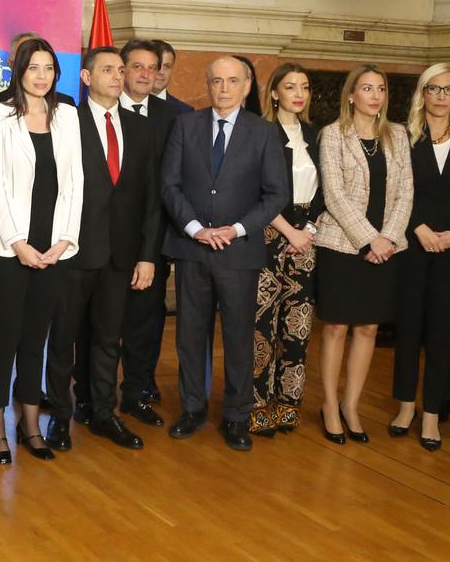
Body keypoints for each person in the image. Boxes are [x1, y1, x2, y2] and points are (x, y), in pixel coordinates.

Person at [159, 56, 288, 452]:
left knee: (237, 337)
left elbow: (277, 194)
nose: (224, 88)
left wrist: (236, 228)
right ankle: (193, 409)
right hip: (192, 248)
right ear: (208, 84)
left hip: (239, 249)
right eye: (216, 81)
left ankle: (236, 416)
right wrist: (196, 229)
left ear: (248, 86)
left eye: (233, 81)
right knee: (190, 336)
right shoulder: (186, 125)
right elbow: (170, 185)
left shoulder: (265, 133)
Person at [44, 47, 158, 452]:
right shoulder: (66, 122)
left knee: (109, 338)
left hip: (120, 255)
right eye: (107, 69)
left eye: (120, 69)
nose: (117, 75)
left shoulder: (140, 128)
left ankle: (103, 413)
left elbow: (149, 198)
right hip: (73, 250)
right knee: (64, 339)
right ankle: (59, 415)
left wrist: (146, 255)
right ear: (87, 78)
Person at [0, 39, 82, 464]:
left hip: (54, 248)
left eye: (49, 68)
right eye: (33, 67)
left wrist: (63, 241)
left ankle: (31, 422)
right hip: (9, 249)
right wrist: (17, 243)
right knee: (3, 338)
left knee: (35, 340)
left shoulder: (69, 115)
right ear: (18, 71)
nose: (42, 76)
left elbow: (76, 183)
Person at [313, 64, 411, 446]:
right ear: (351, 95)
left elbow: (406, 192)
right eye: (366, 88)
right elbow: (334, 194)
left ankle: (351, 405)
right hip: (342, 245)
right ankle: (330, 406)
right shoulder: (333, 135)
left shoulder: (398, 136)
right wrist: (369, 239)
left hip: (387, 247)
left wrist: (387, 239)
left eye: (381, 89)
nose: (374, 96)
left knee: (368, 328)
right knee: (337, 328)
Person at [390, 63, 450, 450]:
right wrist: (418, 227)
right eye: (434, 89)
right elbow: (394, 190)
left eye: (449, 90)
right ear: (422, 93)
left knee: (443, 333)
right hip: (412, 244)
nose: (442, 96)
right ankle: (406, 407)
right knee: (408, 329)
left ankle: (432, 414)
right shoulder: (401, 137)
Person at [249, 62, 324, 437]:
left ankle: (288, 404)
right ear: (274, 93)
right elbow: (256, 191)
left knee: (297, 328)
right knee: (262, 327)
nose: (299, 93)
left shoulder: (316, 135)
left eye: (305, 87)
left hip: (306, 239)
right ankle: (257, 407)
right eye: (290, 86)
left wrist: (306, 231)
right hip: (266, 234)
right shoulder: (261, 133)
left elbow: (325, 191)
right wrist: (287, 231)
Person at [116, 38, 175, 426]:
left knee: (144, 324)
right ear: (121, 71)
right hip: (98, 243)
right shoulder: (89, 112)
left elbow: (168, 187)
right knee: (96, 326)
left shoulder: (173, 119)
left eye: (151, 68)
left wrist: (151, 251)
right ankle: (90, 395)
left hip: (151, 241)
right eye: (136, 66)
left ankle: (136, 394)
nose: (144, 74)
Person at [149, 40, 192, 117]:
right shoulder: (125, 104)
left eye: (167, 66)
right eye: (156, 65)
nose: (161, 72)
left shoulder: (185, 112)